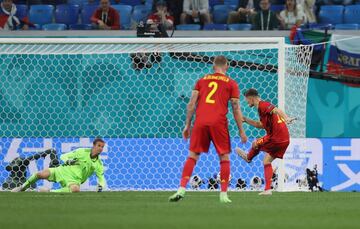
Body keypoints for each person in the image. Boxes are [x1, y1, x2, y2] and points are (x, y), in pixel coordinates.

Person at [169, 56, 247, 203]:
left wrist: (187, 125)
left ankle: (181, 189)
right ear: (227, 66)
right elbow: (236, 108)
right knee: (224, 157)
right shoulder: (231, 83)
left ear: (213, 66)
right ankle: (223, 195)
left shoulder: (201, 80)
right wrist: (241, 131)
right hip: (218, 122)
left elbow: (191, 104)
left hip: (200, 122)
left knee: (193, 156)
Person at [235, 88, 295, 195]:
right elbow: (261, 125)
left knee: (255, 144)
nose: (246, 102)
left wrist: (286, 118)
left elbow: (276, 109)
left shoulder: (263, 105)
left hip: (276, 138)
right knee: (266, 161)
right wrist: (246, 120)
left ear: (251, 98)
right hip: (285, 139)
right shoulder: (261, 109)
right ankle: (268, 190)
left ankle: (248, 157)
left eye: (247, 100)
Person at [12, 138, 106, 193]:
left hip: (74, 179)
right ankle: (22, 187)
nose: (101, 148)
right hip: (62, 170)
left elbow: (101, 177)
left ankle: (49, 192)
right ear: (93, 145)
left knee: (75, 189)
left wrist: (100, 186)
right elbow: (64, 156)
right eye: (99, 146)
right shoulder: (81, 151)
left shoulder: (98, 164)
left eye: (102, 147)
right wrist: (69, 161)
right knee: (40, 174)